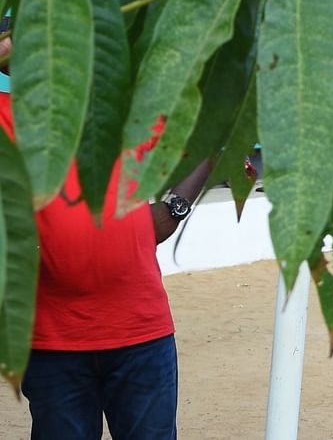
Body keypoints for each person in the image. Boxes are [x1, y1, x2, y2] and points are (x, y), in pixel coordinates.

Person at [0, 33, 212, 440]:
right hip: (52, 341)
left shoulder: (127, 115)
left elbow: (205, 136)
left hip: (141, 334)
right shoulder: (11, 118)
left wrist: (174, 208)